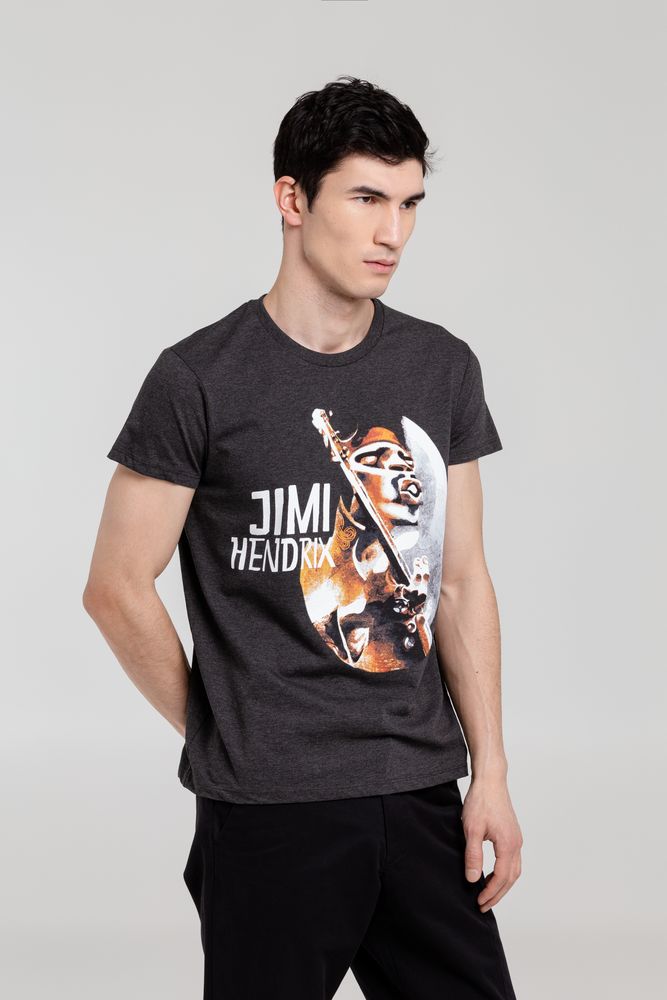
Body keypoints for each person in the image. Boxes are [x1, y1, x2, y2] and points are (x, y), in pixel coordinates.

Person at [83, 74, 522, 999]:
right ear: (292, 199)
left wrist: (490, 775)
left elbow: (459, 583)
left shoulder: (439, 366)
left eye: (409, 204)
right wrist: (220, 728)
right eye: (365, 198)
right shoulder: (198, 379)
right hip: (268, 811)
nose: (392, 232)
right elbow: (116, 586)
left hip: (419, 791)